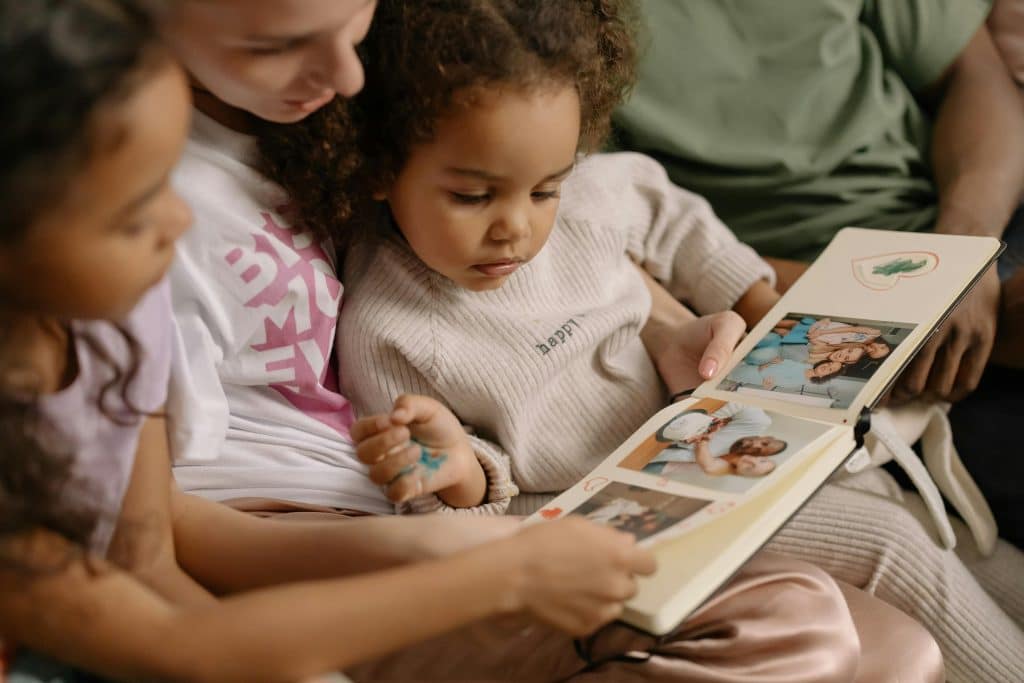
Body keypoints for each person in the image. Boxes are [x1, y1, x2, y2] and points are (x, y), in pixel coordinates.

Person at [0, 2, 816, 681]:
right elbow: (165, 603)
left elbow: (557, 208)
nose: (348, 76)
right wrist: (480, 564)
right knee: (795, 621)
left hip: (419, 508)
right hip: (344, 533)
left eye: (356, 30)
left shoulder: (138, 289)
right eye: (138, 211)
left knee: (820, 617)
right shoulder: (133, 264)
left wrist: (663, 315)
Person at [247, 1, 1016, 680]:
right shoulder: (387, 326)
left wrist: (752, 301)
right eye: (473, 195)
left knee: (935, 548)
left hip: (706, 449)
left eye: (544, 188)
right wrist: (465, 469)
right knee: (889, 542)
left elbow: (668, 214)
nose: (517, 224)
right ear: (381, 166)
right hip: (592, 527)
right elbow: (448, 516)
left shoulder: (591, 191)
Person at [612, 0, 1024, 405]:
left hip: (981, 212)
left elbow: (976, 74)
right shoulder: (571, 29)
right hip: (822, 305)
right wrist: (893, 310)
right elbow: (613, 234)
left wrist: (963, 255)